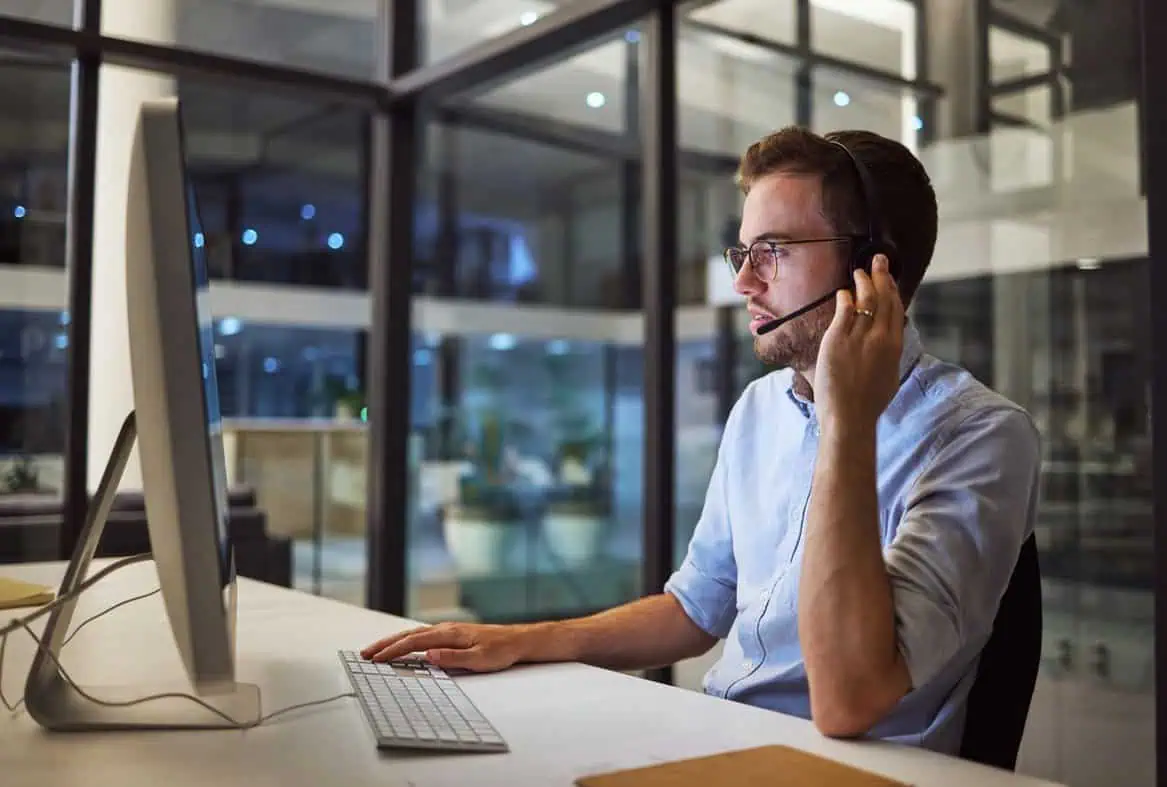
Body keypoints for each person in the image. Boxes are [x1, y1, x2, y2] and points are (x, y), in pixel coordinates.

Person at [362, 127, 1042, 756]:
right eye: (742, 252)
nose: (744, 281)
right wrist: (524, 641)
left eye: (772, 251)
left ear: (871, 268)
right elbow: (697, 607)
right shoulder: (759, 410)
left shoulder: (981, 436)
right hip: (725, 737)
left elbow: (849, 698)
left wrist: (847, 419)